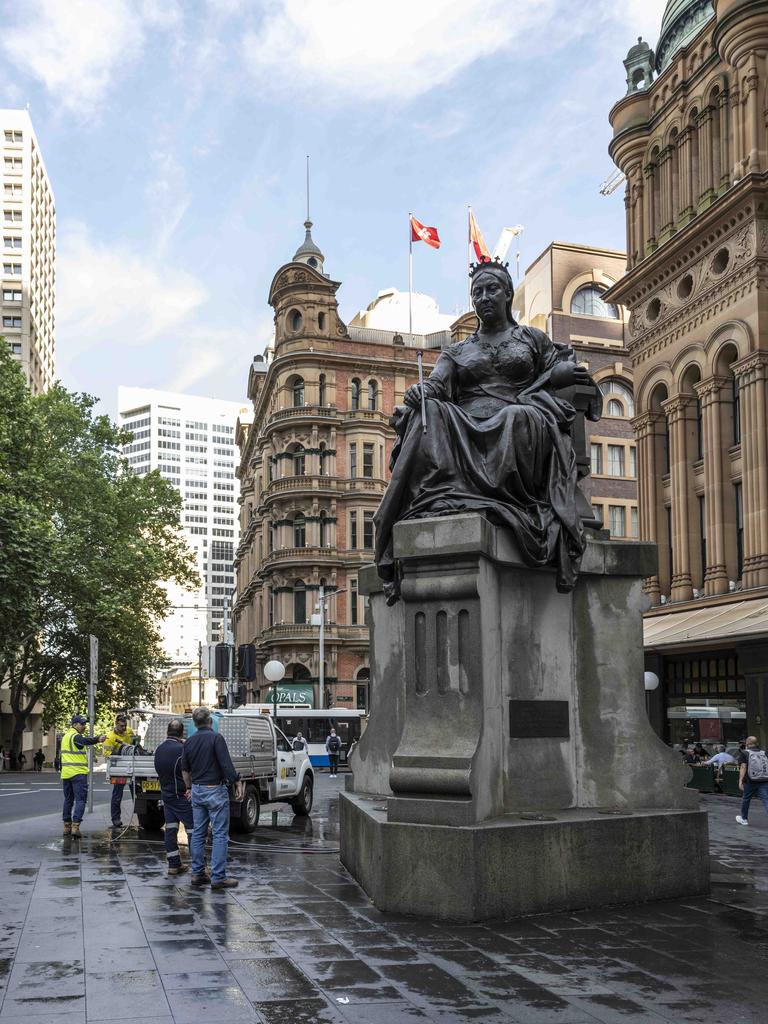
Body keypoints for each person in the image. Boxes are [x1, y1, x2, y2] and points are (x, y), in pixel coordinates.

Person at [374, 258, 600, 602]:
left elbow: (559, 367)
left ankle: (500, 497)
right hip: (466, 423)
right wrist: (420, 393)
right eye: (476, 292)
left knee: (516, 417)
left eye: (491, 289)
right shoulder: (457, 350)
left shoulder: (532, 338)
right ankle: (443, 499)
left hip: (521, 415)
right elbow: (436, 386)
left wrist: (562, 374)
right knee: (429, 412)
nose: (483, 297)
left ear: (508, 294)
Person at [181, 707, 243, 889]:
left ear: (194, 723)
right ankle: (218, 877)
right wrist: (236, 781)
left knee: (198, 833)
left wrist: (190, 788)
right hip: (215, 790)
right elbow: (226, 764)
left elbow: (185, 770)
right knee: (219, 834)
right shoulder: (216, 738)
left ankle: (198, 873)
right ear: (210, 722)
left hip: (198, 790)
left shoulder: (189, 742)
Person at [154, 719, 194, 876]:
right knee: (193, 830)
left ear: (167, 732)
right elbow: (187, 771)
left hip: (167, 795)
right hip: (181, 796)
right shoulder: (182, 749)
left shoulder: (160, 749)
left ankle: (173, 865)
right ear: (182, 733)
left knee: (170, 829)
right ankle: (200, 866)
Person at [60, 715, 106, 837]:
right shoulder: (75, 736)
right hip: (78, 773)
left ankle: (66, 827)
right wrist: (98, 739)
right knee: (80, 800)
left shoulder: (65, 737)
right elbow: (84, 741)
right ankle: (75, 827)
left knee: (68, 800)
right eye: (82, 724)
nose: (84, 726)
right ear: (75, 725)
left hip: (66, 774)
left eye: (85, 724)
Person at [103, 713, 135, 827]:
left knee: (136, 792)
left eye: (125, 725)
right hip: (119, 768)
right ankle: (116, 819)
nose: (124, 728)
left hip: (132, 766)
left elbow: (134, 743)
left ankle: (141, 815)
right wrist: (119, 751)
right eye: (122, 726)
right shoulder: (110, 737)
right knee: (117, 795)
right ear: (116, 724)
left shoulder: (129, 732)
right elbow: (107, 754)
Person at [735, 735, 768, 826]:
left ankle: (744, 819)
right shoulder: (764, 752)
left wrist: (740, 780)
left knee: (746, 799)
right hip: (763, 780)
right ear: (756, 743)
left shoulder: (745, 753)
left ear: (747, 744)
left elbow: (743, 767)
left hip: (750, 781)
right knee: (766, 800)